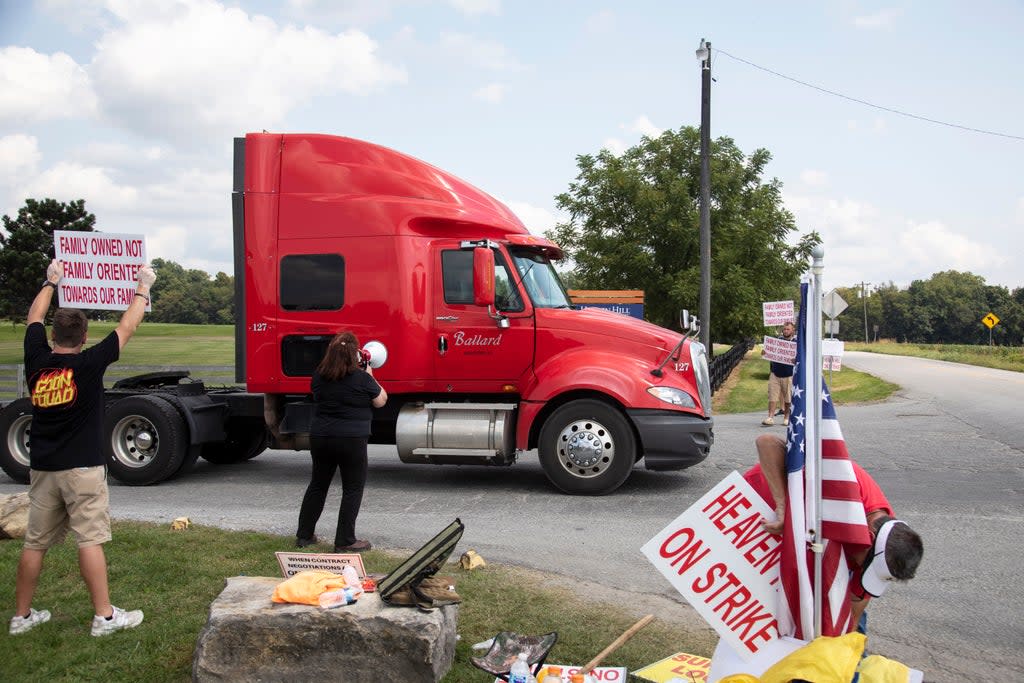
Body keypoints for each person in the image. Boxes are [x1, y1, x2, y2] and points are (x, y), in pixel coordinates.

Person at [11, 258, 156, 637]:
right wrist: (143, 287)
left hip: (43, 466)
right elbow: (128, 326)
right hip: (83, 469)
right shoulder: (91, 363)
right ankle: (104, 617)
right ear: (85, 335)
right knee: (89, 539)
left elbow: (32, 318)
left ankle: (21, 616)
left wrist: (50, 282)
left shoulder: (36, 358)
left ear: (53, 335)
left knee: (34, 543)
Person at [744, 433, 923, 631]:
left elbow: (856, 604)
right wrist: (784, 507)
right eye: (865, 566)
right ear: (868, 538)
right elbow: (766, 442)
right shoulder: (840, 482)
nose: (861, 571)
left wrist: (846, 647)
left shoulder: (886, 544)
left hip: (802, 541)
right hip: (755, 512)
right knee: (760, 615)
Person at [296, 330, 387, 553]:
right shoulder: (362, 378)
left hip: (320, 437)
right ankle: (345, 540)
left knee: (318, 485)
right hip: (351, 439)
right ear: (353, 355)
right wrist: (370, 374)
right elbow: (381, 401)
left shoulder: (318, 376)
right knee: (352, 488)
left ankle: (304, 535)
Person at [762, 321, 796, 426]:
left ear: (792, 330)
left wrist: (795, 360)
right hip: (775, 372)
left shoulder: (796, 342)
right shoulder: (777, 340)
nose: (786, 331)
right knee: (772, 395)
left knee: (788, 397)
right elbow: (769, 351)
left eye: (788, 329)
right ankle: (770, 417)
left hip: (789, 374)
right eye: (784, 329)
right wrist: (765, 353)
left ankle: (786, 417)